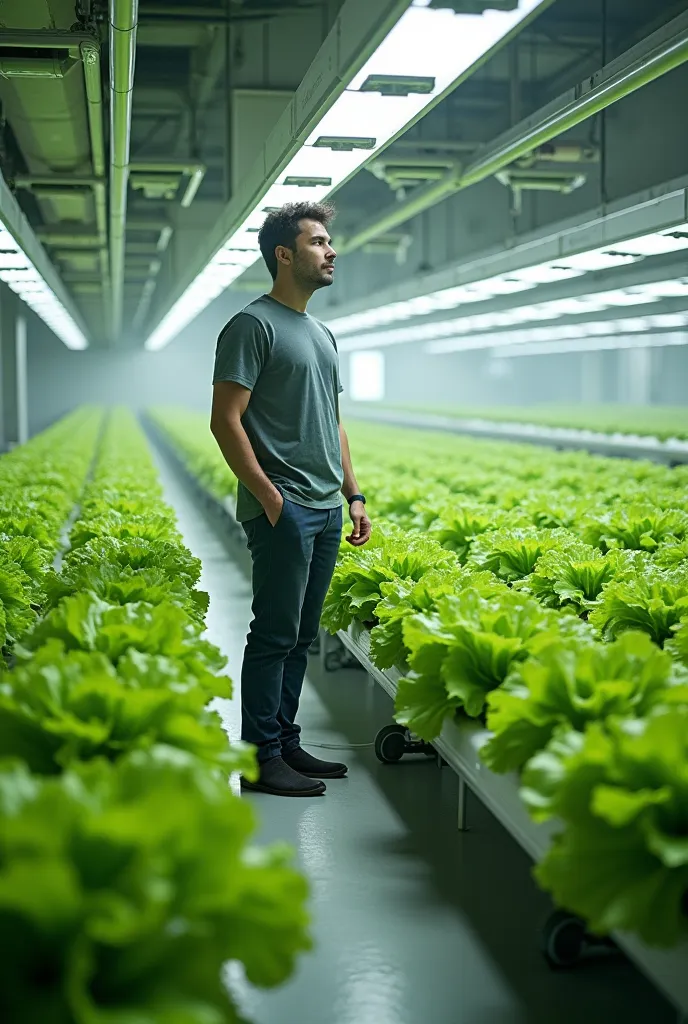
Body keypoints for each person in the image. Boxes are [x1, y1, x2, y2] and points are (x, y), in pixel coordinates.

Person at [210, 201, 372, 797]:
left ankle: (284, 740)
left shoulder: (321, 333)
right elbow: (226, 420)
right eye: (319, 242)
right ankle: (259, 757)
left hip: (328, 507)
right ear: (285, 254)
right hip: (286, 508)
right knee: (274, 633)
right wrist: (270, 499)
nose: (331, 252)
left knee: (303, 635)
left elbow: (334, 423)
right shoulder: (252, 326)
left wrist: (353, 495)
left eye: (330, 243)